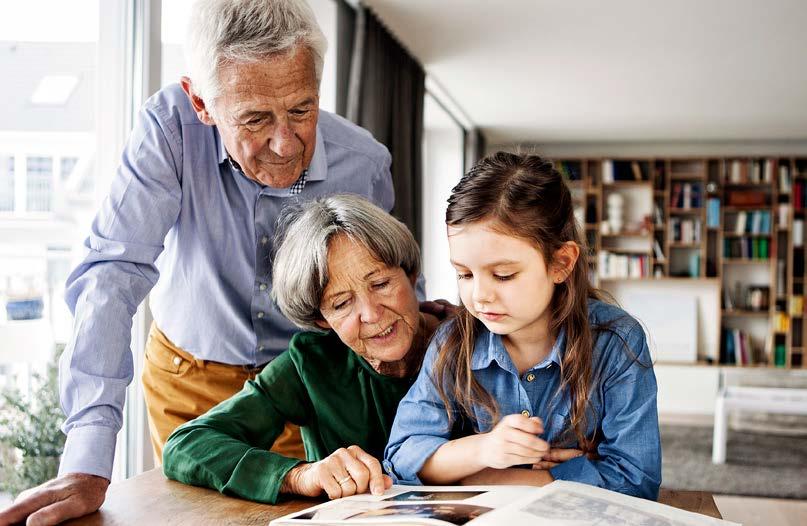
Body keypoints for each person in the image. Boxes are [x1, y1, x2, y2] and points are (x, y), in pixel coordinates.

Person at [0, 1, 402, 524]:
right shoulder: (170, 129)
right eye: (255, 118)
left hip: (307, 383)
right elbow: (112, 274)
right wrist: (88, 458)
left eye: (302, 110)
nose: (285, 143)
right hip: (188, 375)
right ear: (201, 101)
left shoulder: (364, 164)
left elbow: (388, 287)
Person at [384, 152, 662, 499]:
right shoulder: (453, 342)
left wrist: (481, 477)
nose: (480, 295)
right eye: (464, 274)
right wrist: (484, 450)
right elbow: (400, 457)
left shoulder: (617, 341)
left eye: (504, 275)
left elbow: (637, 481)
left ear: (561, 263)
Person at [162, 194, 434, 503]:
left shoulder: (471, 341)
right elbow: (186, 444)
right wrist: (300, 475)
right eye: (342, 303)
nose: (371, 314)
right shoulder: (312, 363)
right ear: (321, 320)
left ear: (410, 274)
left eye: (381, 283)